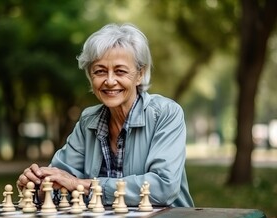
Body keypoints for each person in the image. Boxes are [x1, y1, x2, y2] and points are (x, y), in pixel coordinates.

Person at [17, 23, 194, 207]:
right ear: (90, 76)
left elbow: (163, 188)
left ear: (140, 74)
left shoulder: (166, 113)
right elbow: (61, 181)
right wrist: (37, 185)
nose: (109, 81)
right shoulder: (88, 121)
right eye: (100, 71)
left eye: (120, 71)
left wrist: (85, 185)